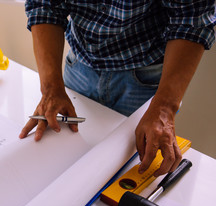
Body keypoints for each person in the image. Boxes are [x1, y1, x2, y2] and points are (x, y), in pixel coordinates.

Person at [19, 1, 216, 176]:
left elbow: (191, 19)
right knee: (65, 162)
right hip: (79, 67)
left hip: (144, 75)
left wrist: (165, 107)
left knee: (130, 170)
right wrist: (51, 88)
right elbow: (44, 5)